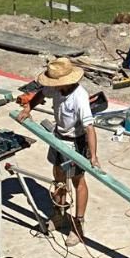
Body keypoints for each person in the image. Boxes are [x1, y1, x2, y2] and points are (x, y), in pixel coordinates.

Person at [17, 58, 99, 246]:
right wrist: (28, 108)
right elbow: (40, 94)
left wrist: (93, 156)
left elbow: (89, 128)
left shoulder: (79, 97)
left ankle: (78, 225)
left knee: (78, 181)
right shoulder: (56, 89)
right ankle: (59, 214)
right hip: (58, 137)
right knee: (58, 176)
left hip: (76, 141)